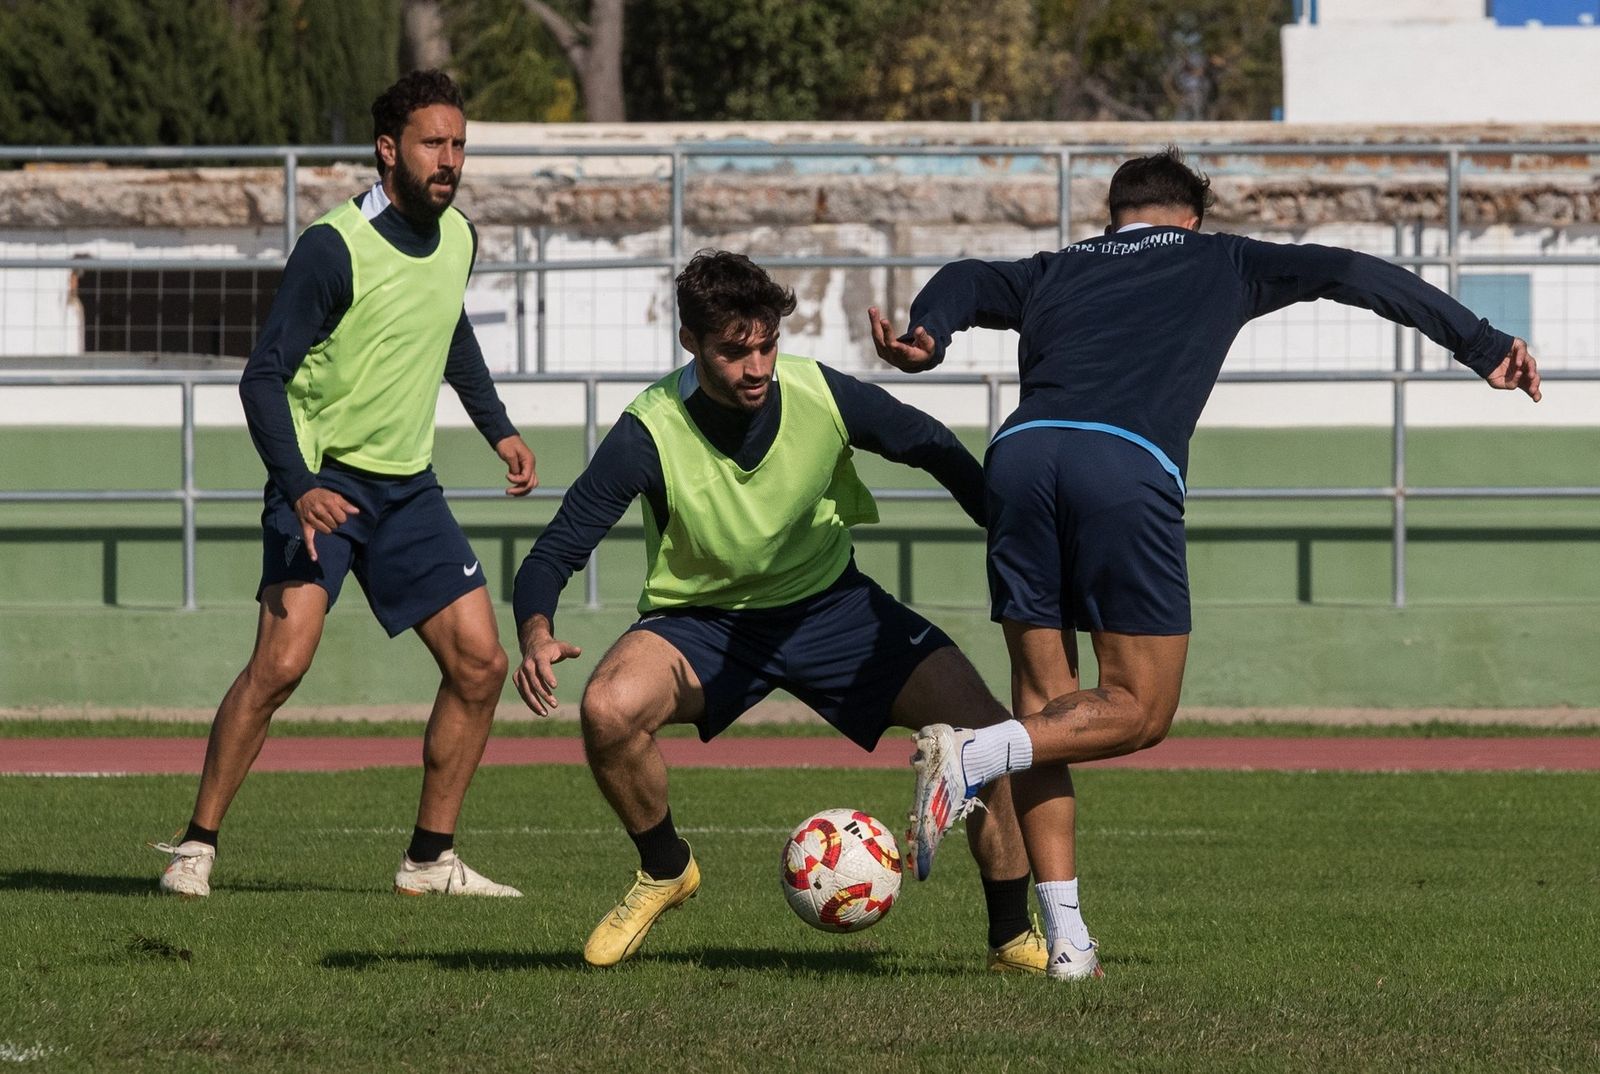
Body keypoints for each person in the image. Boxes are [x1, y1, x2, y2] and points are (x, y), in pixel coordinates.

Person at [868, 147, 1543, 981]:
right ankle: (967, 760)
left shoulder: (1054, 268)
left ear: (1113, 216)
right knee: (1139, 711)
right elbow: (1354, 271)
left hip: (1018, 455)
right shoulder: (1222, 257)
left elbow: (969, 275)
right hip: (1121, 462)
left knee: (1042, 716)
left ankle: (1070, 946)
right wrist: (1480, 344)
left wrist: (928, 333)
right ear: (1192, 218)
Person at [511, 250, 1055, 972]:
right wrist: (536, 630)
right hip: (702, 623)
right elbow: (556, 547)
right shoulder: (650, 428)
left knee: (987, 733)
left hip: (835, 611)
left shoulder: (819, 393)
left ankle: (1011, 937)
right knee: (608, 708)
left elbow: (929, 444)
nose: (757, 366)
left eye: (767, 345)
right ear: (691, 345)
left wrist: (1009, 527)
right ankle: (667, 868)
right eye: (735, 351)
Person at [152, 70, 537, 899]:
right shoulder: (333, 247)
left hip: (408, 492)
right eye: (435, 143)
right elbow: (262, 378)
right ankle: (195, 846)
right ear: (388, 150)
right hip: (322, 482)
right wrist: (296, 486)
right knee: (282, 664)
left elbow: (450, 332)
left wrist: (497, 426)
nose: (451, 159)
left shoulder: (460, 238)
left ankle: (430, 860)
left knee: (481, 664)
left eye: (460, 143)